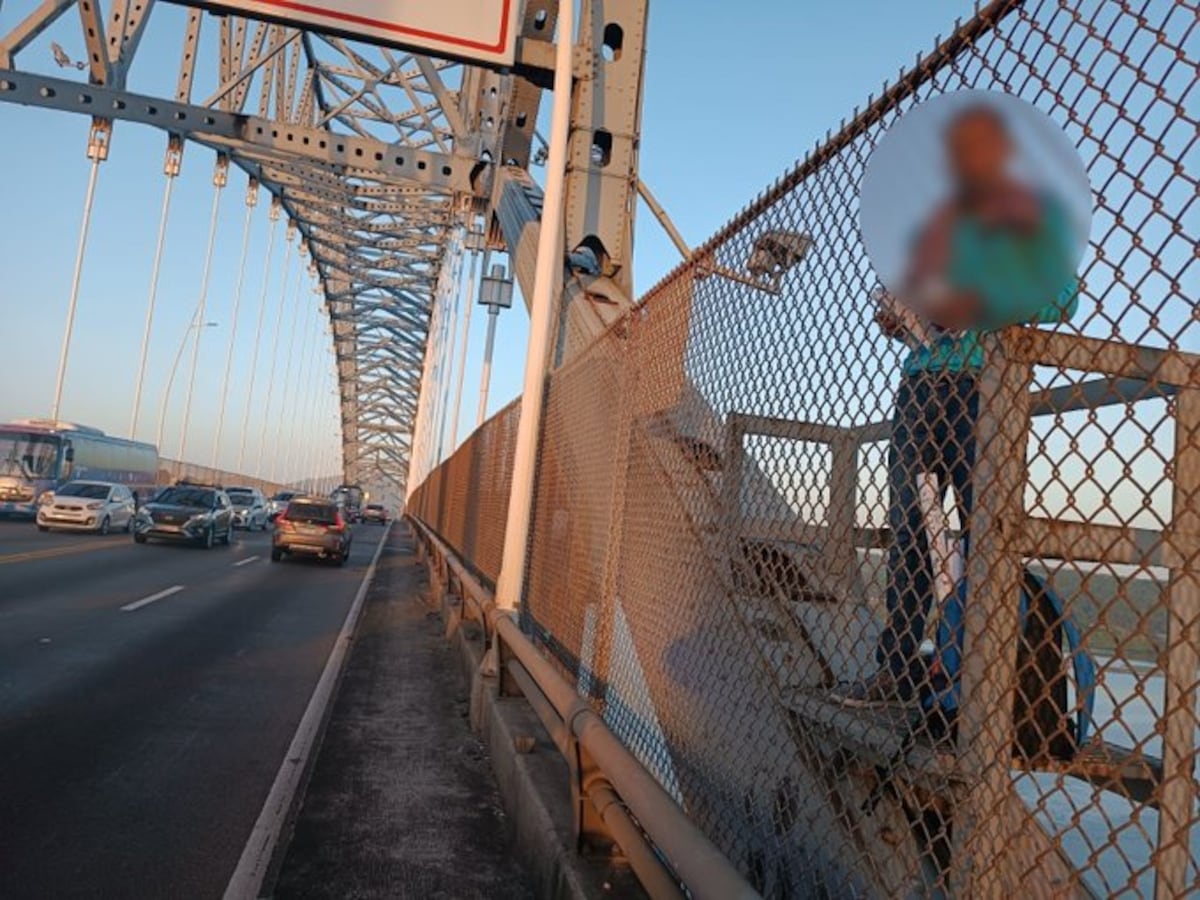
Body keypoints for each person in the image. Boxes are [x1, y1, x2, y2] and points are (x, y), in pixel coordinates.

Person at [835, 103, 1080, 706]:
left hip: (981, 389)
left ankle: (977, 673)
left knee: (981, 532)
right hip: (920, 385)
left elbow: (1062, 299)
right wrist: (901, 315)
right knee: (913, 536)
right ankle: (898, 670)